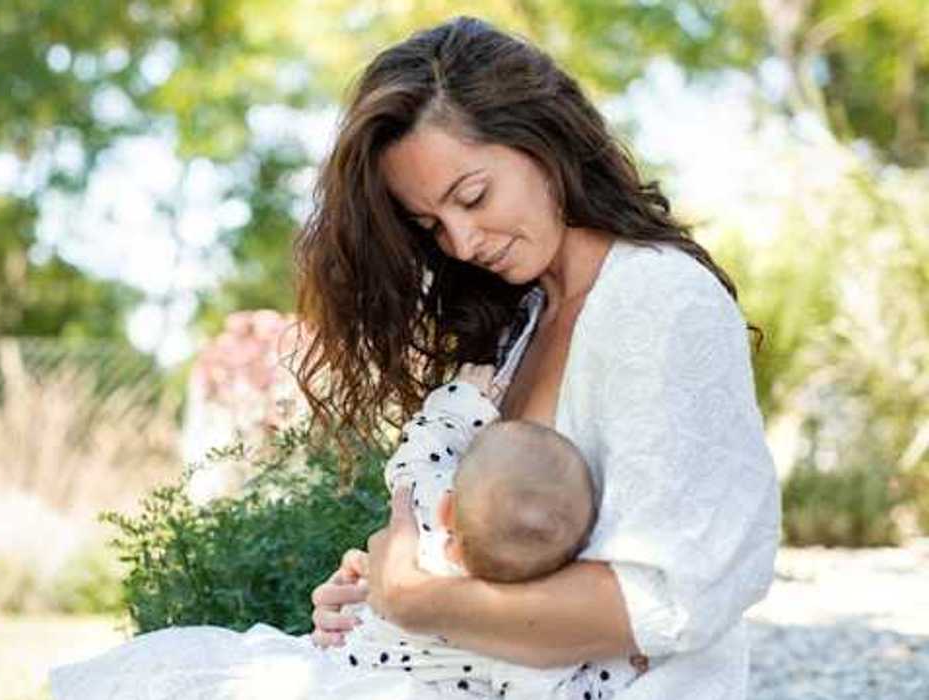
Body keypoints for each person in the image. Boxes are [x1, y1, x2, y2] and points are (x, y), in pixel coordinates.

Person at [51, 15, 779, 700]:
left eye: (474, 194)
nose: (461, 244)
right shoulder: (525, 318)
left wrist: (418, 600)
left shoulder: (657, 302)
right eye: (431, 224)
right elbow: (490, 550)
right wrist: (379, 597)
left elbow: (668, 598)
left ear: (544, 142)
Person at [336, 362, 641, 699]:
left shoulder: (425, 515)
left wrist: (463, 400)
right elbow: (565, 693)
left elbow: (419, 453)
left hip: (352, 673)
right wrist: (624, 665)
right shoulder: (520, 639)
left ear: (448, 508)